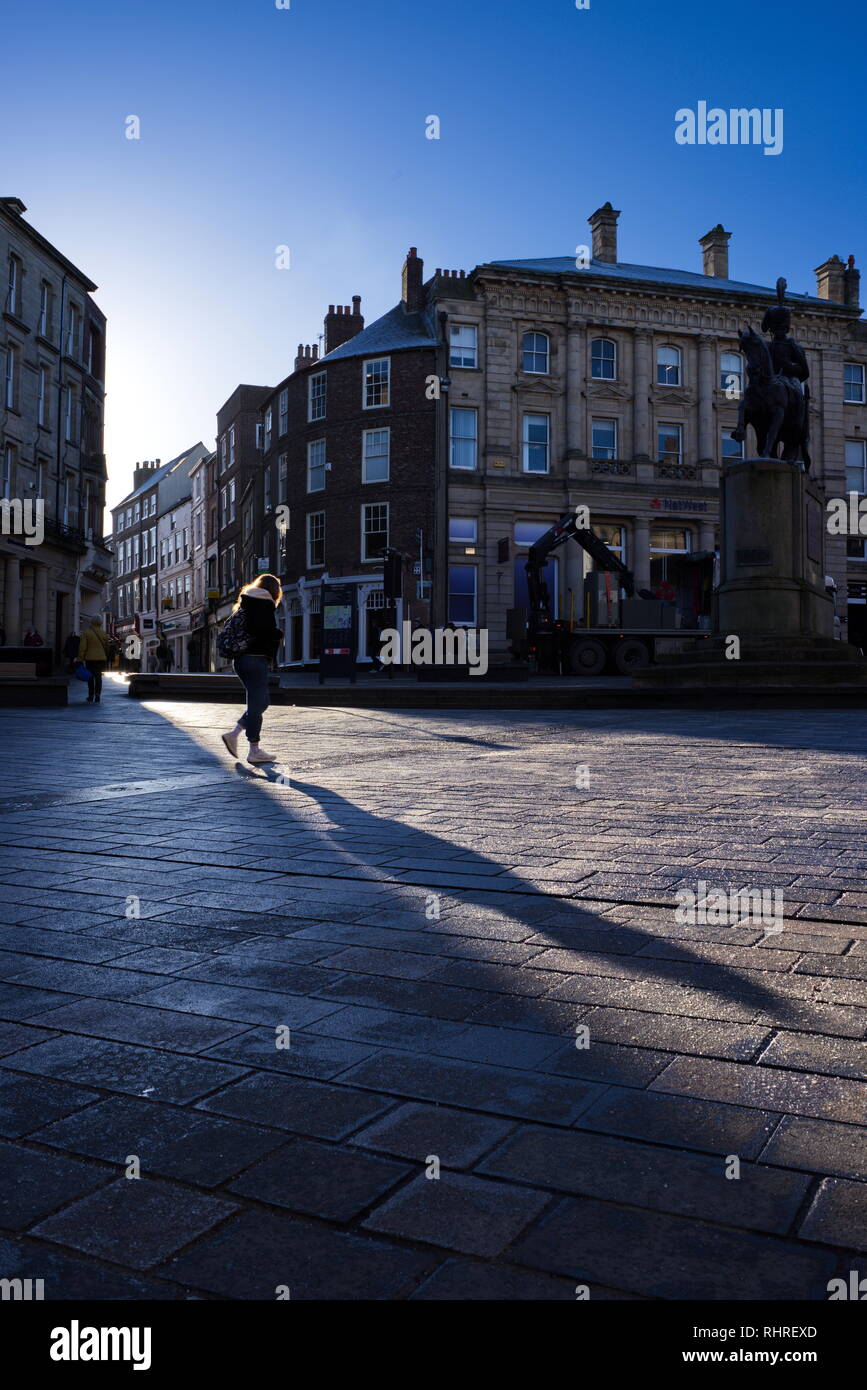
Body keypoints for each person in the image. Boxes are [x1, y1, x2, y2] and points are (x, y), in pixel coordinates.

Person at [221, 574, 283, 765]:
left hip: (240, 660)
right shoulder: (263, 604)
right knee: (257, 703)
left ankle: (235, 734)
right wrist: (277, 634)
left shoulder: (247, 601)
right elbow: (263, 632)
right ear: (274, 590)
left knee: (260, 702)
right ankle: (253, 749)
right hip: (255, 659)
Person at [78, 616, 110, 703]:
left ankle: (91, 695)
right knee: (98, 677)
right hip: (101, 658)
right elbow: (107, 647)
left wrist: (80, 658)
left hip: (90, 658)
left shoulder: (87, 633)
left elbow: (82, 647)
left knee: (90, 677)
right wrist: (106, 656)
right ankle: (98, 694)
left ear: (91, 622)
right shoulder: (103, 633)